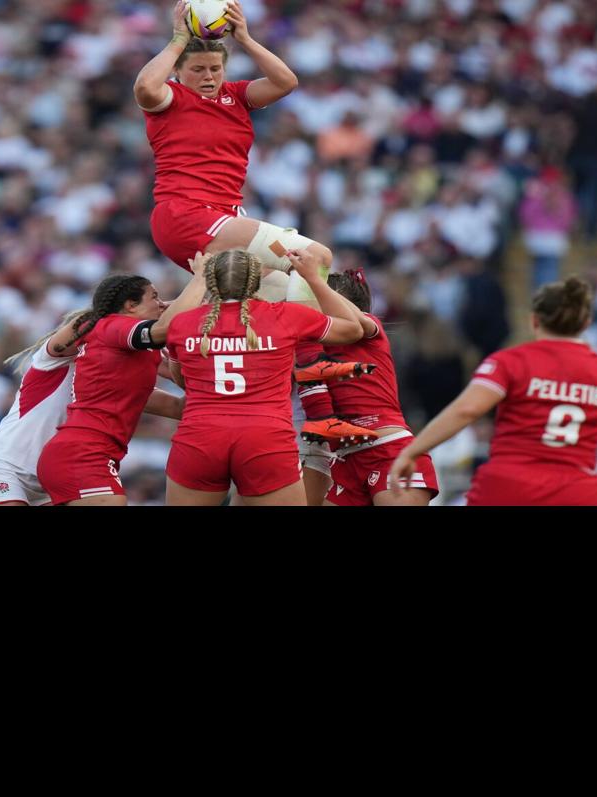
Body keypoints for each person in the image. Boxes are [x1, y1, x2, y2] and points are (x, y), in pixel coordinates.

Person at [135, 1, 337, 304]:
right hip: (188, 216)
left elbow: (286, 82)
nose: (209, 76)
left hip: (223, 217)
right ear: (177, 70)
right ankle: (316, 340)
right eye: (198, 69)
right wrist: (178, 40)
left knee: (278, 293)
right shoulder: (172, 98)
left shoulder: (236, 96)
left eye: (216, 69)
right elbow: (145, 88)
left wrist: (245, 37)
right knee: (316, 257)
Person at [0, 268, 195, 506]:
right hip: (1, 466)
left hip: (52, 478)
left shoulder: (112, 385)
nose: (160, 304)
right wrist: (188, 294)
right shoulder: (77, 342)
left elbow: (179, 407)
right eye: (153, 298)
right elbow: (110, 325)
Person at [386, 277, 597, 505]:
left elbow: (467, 410)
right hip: (576, 489)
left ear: (534, 319)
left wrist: (413, 451)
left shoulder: (510, 362)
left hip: (508, 484)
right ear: (586, 322)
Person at [157, 247, 366, 505]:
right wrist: (312, 278)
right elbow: (353, 330)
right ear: (256, 281)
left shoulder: (182, 323)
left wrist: (197, 278)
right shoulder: (285, 316)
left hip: (200, 438)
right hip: (266, 440)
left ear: (210, 280)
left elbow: (183, 381)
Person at [296, 268, 439, 506]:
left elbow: (357, 323)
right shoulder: (311, 344)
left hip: (388, 451)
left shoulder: (369, 328)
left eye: (319, 302)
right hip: (345, 461)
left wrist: (312, 277)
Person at [35, 273, 179, 506]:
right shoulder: (113, 325)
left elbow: (180, 383)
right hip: (84, 454)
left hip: (85, 453)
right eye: (154, 297)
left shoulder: (129, 353)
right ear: (130, 305)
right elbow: (161, 330)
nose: (161, 303)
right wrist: (201, 279)